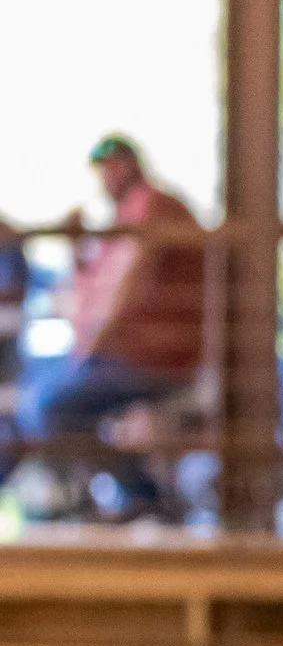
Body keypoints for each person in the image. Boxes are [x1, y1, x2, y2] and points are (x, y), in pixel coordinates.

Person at [21, 137, 206, 517]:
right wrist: (76, 252)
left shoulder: (152, 208)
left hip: (155, 360)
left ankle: (139, 498)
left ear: (125, 166)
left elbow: (123, 291)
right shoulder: (129, 215)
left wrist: (89, 350)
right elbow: (98, 291)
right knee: (44, 396)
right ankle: (124, 498)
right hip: (131, 355)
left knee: (46, 407)